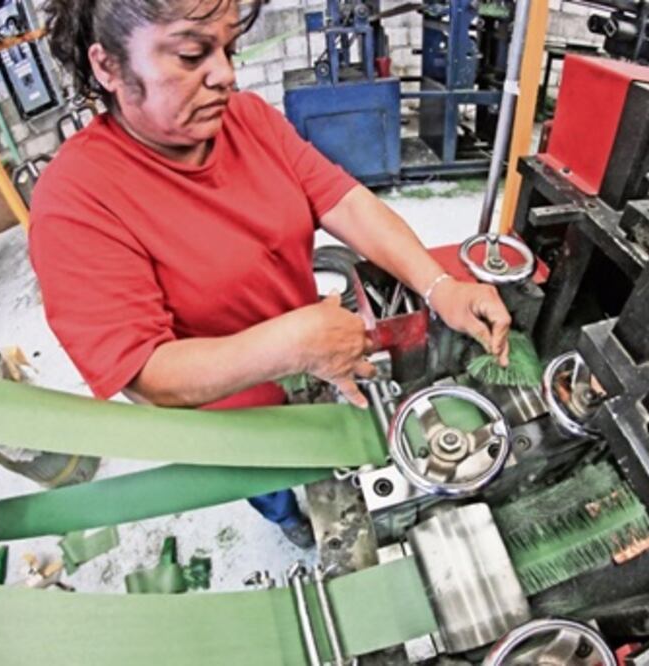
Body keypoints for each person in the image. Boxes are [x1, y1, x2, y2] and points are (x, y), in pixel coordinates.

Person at [31, 0, 512, 547]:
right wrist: (290, 346)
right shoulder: (76, 200)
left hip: (315, 362)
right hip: (233, 418)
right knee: (275, 488)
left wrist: (439, 285)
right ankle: (286, 519)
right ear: (108, 67)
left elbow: (345, 202)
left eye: (229, 49)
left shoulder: (246, 119)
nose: (225, 75)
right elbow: (146, 375)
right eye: (193, 55)